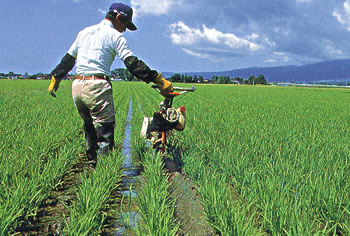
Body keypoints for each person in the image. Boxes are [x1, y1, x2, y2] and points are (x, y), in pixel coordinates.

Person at [48, 3, 173, 167]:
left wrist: (56, 77)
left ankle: (92, 164)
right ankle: (104, 170)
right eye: (125, 24)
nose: (125, 29)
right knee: (105, 131)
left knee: (89, 126)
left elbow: (69, 59)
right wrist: (158, 79)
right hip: (97, 85)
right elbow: (132, 63)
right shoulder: (115, 36)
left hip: (77, 86)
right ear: (118, 18)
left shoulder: (84, 32)